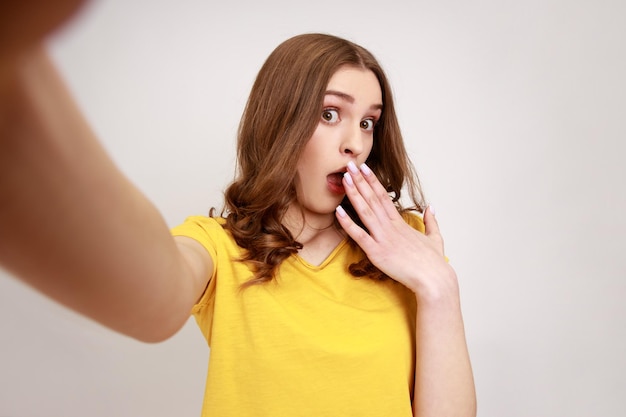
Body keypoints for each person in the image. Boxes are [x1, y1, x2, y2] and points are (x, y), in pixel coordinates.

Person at [0, 3, 476, 416]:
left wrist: (438, 287)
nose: (356, 144)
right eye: (330, 114)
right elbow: (153, 295)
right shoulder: (219, 246)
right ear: (279, 119)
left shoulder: (406, 245)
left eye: (369, 122)